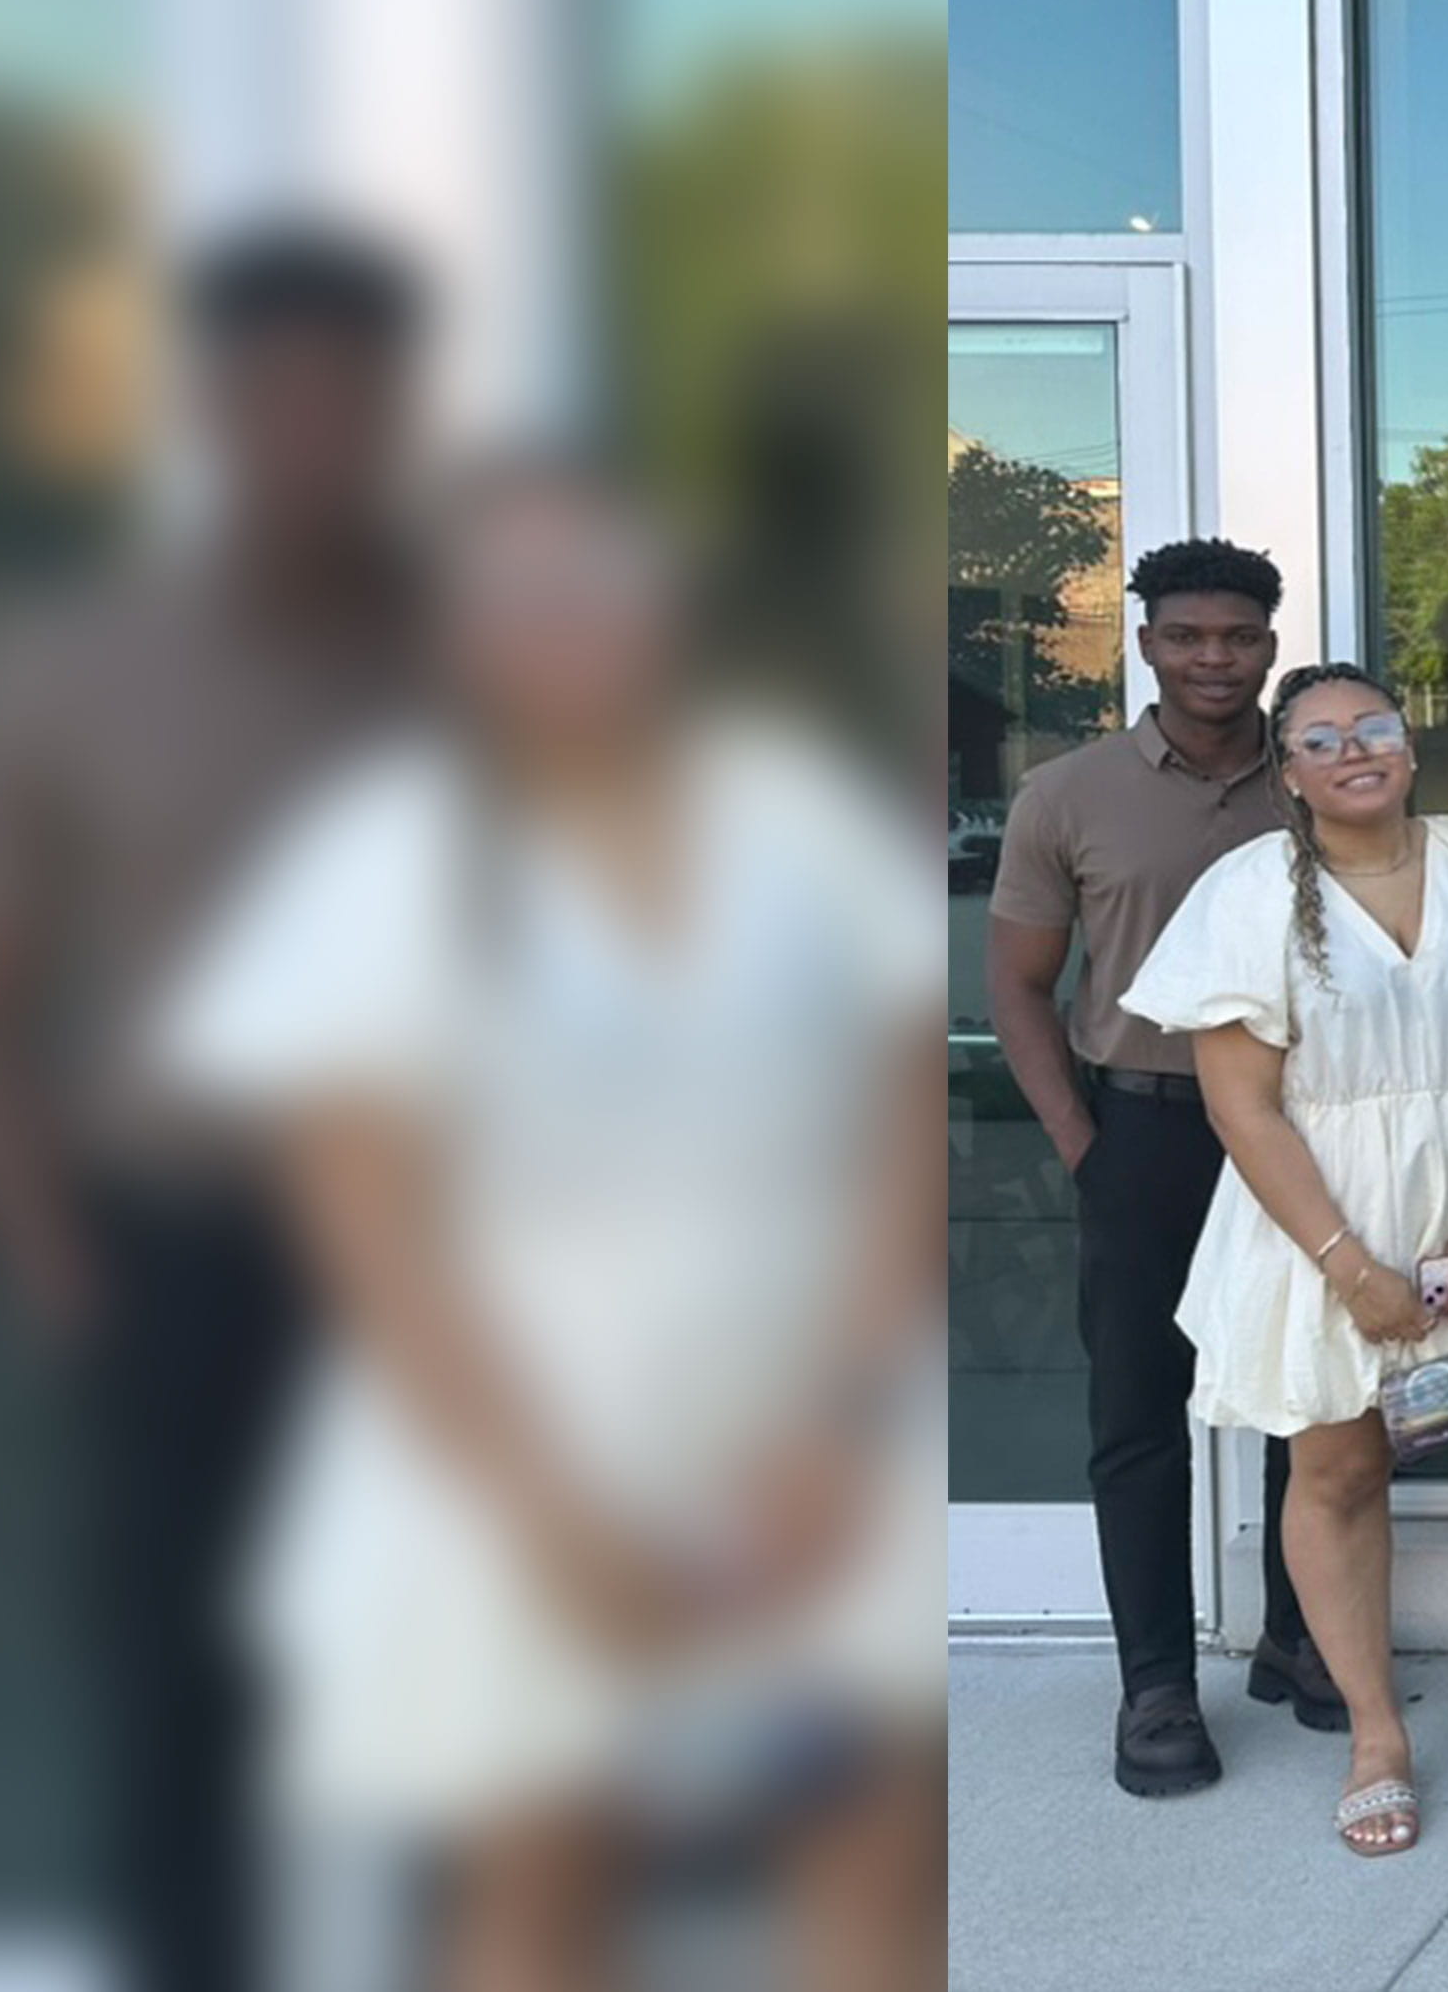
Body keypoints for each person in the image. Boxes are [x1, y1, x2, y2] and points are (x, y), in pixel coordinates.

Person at [156, 462, 943, 1992]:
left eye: (602, 590)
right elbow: (365, 1234)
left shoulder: (790, 818)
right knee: (543, 1865)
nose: (570, 631)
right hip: (505, 1439)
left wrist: (835, 1422)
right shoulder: (374, 860)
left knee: (865, 1839)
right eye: (520, 602)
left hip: (806, 1416)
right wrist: (551, 1507)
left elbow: (905, 1115)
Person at [0, 222, 423, 1992]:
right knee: (182, 1681)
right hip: (178, 1241)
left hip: (443, 1240)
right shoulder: (80, 667)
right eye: (277, 398)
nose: (315, 435)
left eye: (351, 400)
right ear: (216, 411)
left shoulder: (468, 653)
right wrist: (56, 1263)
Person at [1124, 661, 1448, 1856]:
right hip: (1321, 1211)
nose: (1354, 750)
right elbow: (1242, 1107)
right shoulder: (1245, 893)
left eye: (1374, 728)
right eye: (1320, 738)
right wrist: (1350, 1262)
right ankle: (1373, 1734)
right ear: (1286, 770)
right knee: (1341, 1465)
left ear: (1407, 744)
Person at [988, 538, 1344, 1793]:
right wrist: (1084, 1144)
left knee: (1310, 1395)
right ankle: (1155, 1689)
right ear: (1144, 643)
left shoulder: (1315, 779)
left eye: (1238, 638)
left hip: (1307, 1131)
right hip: (1145, 1125)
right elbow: (1023, 989)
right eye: (1187, 636)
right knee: (1141, 1414)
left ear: (1268, 644)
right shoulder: (1068, 795)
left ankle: (1300, 1640)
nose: (1213, 658)